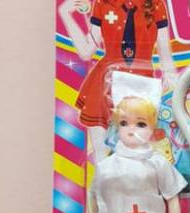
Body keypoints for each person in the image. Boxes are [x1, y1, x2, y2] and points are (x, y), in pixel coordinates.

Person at [60, 0, 177, 162]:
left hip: (141, 84)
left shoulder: (155, 4)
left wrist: (171, 80)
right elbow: (86, 51)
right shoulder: (103, 3)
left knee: (140, 152)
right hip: (105, 84)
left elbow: (165, 52)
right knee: (102, 155)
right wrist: (65, 14)